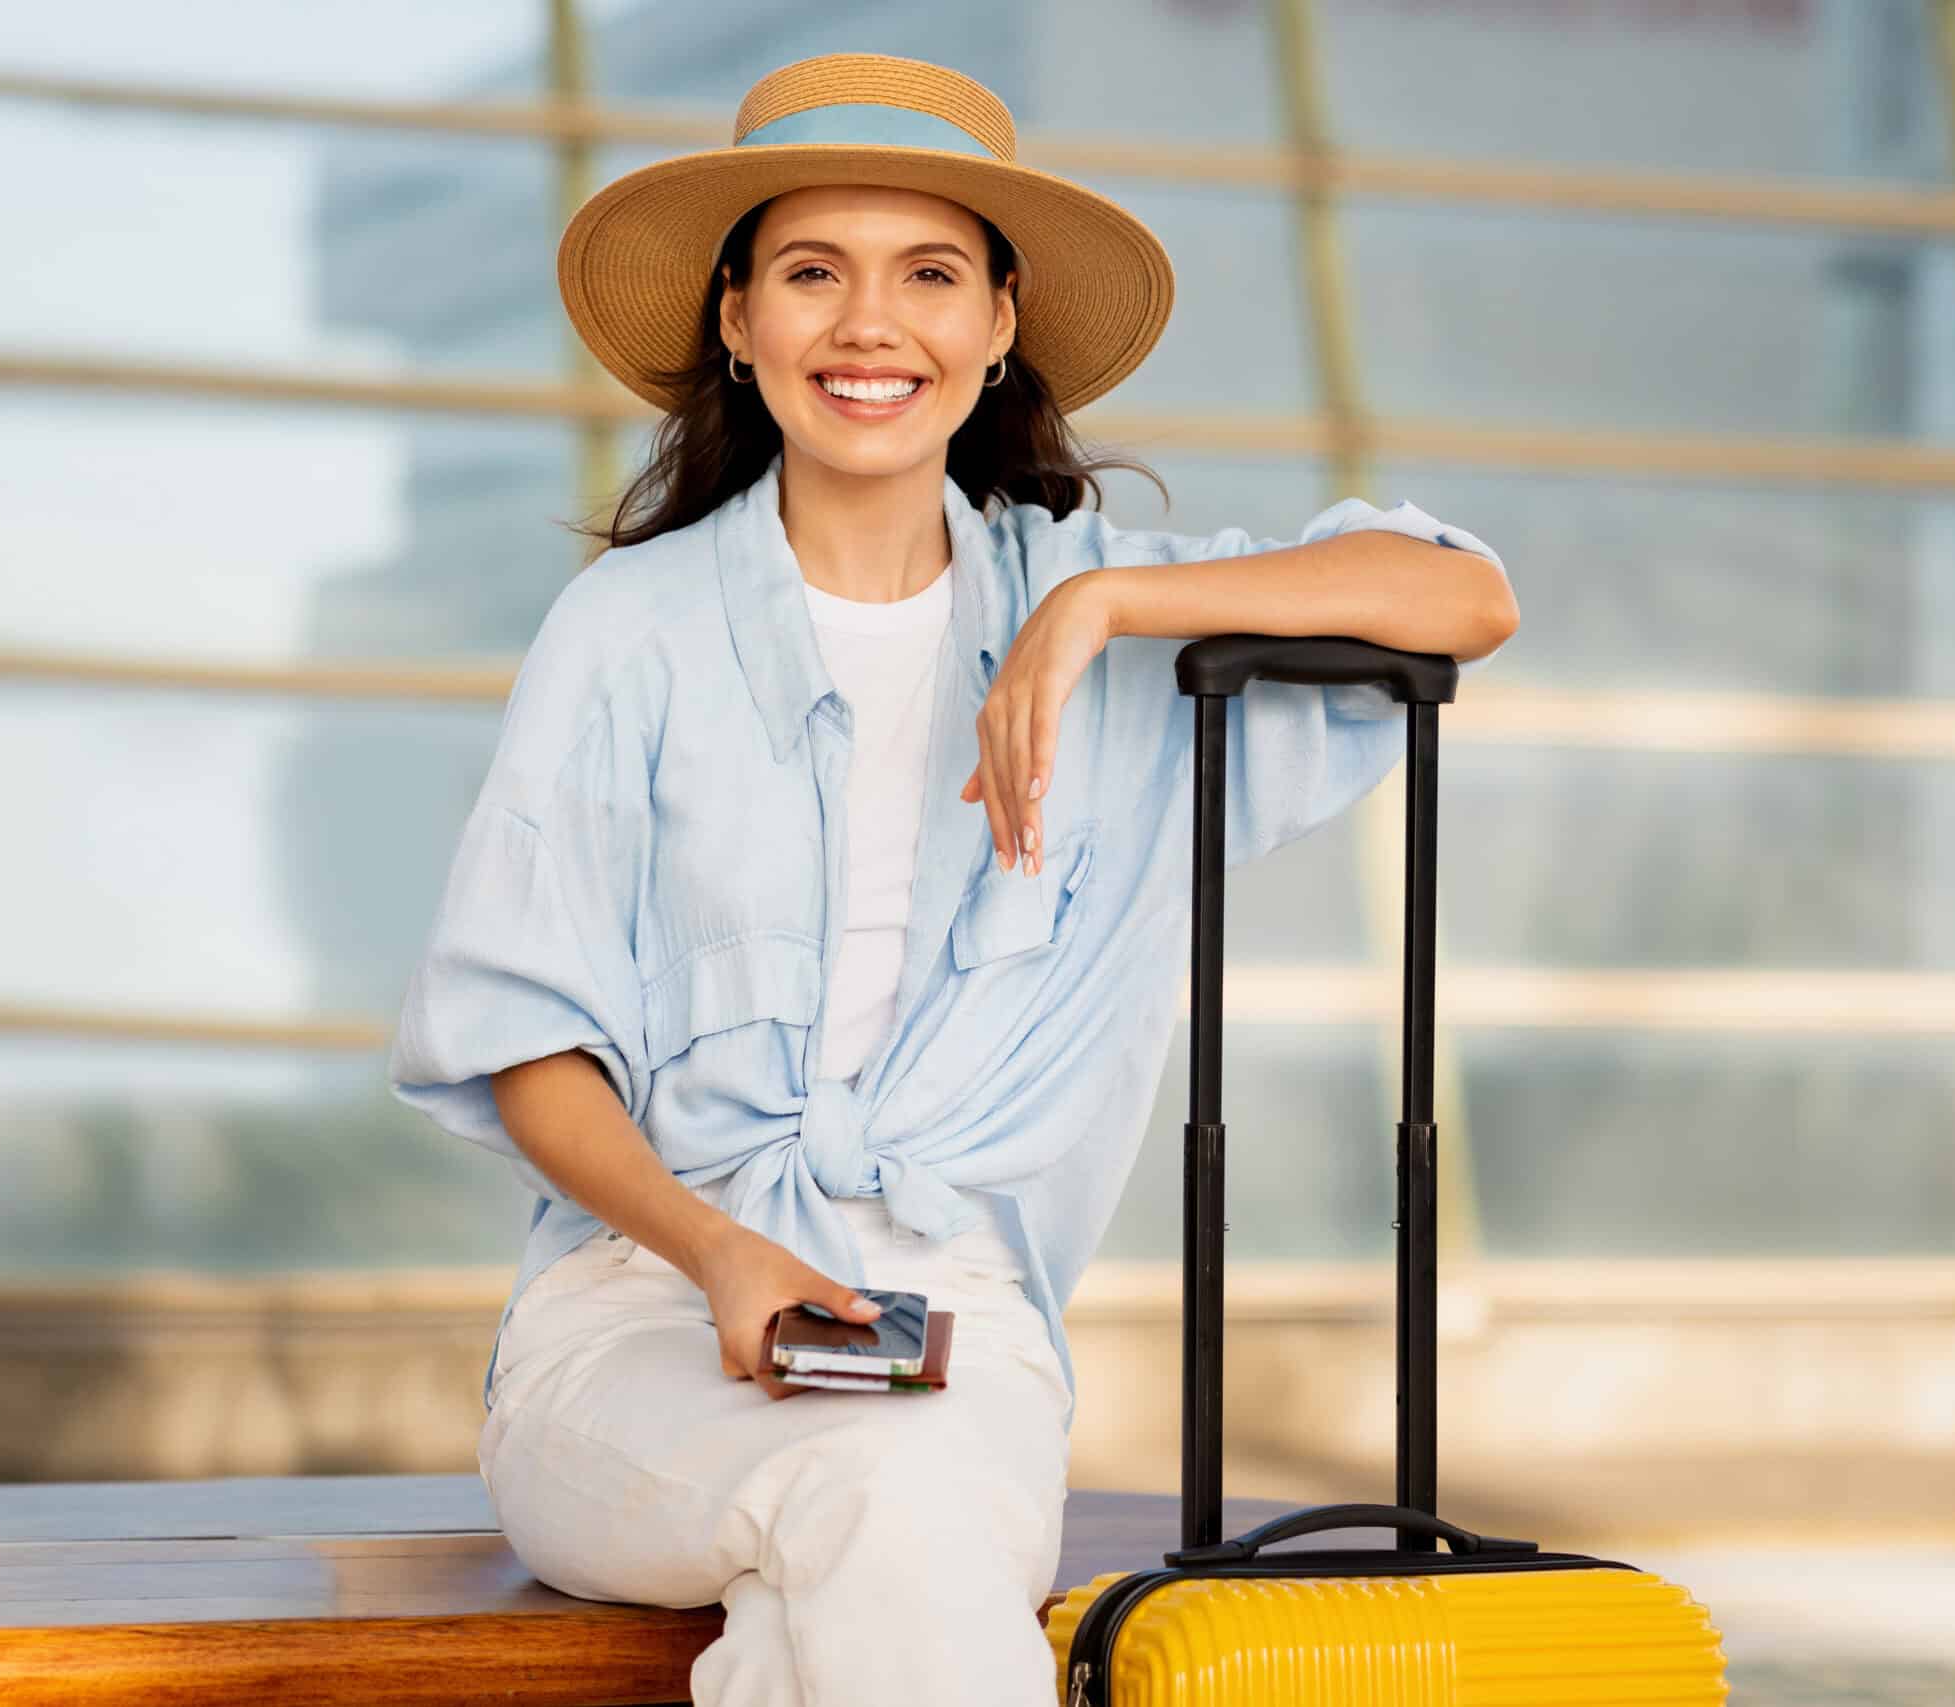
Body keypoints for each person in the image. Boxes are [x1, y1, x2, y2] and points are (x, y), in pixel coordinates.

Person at [388, 51, 1517, 1707]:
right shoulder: (627, 632)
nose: (870, 326)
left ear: (999, 326)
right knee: (887, 1505)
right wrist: (722, 1259)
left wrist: (1103, 614)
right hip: (636, 1322)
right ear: (736, 319)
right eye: (811, 274)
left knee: (862, 1550)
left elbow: (1465, 595)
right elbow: (527, 1042)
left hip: (958, 1325)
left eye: (929, 275)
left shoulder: (1112, 622)